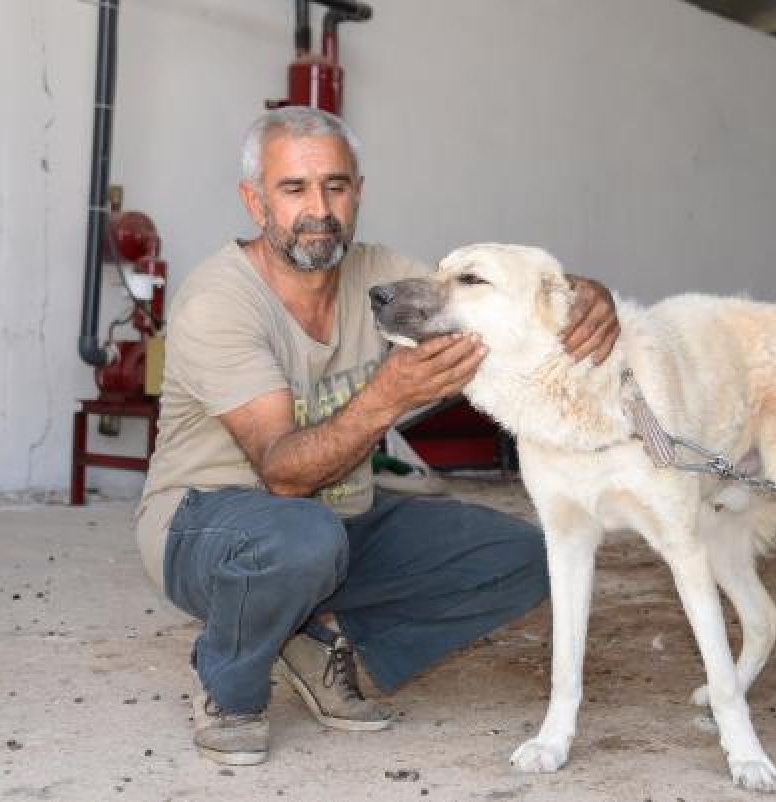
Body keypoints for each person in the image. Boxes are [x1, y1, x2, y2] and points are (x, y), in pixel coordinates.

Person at [135, 107, 621, 766]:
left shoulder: (383, 272)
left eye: (336, 187)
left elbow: (500, 299)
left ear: (357, 193)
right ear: (255, 201)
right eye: (294, 189)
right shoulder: (218, 302)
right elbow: (282, 473)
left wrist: (583, 294)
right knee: (299, 534)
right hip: (206, 524)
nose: (320, 209)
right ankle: (230, 682)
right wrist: (388, 395)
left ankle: (309, 634)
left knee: (527, 557)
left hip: (337, 522)